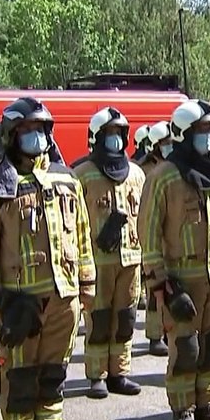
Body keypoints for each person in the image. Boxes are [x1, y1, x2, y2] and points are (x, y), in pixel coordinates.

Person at [0, 97, 94, 420]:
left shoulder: (65, 179)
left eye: (40, 130)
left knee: (55, 368)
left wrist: (86, 285)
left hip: (63, 295)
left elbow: (82, 233)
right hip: (20, 300)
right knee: (20, 371)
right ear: (11, 135)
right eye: (27, 130)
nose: (35, 137)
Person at [138, 99, 210, 420]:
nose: (209, 138)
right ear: (185, 135)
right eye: (202, 131)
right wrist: (160, 283)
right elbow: (149, 232)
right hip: (182, 282)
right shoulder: (164, 177)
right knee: (186, 347)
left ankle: (208, 403)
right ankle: (182, 408)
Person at [73, 107, 146, 399]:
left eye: (119, 134)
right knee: (99, 319)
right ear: (97, 137)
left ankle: (120, 372)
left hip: (130, 259)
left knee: (126, 318)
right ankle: (97, 375)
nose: (115, 140)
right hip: (97, 261)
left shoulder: (137, 175)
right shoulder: (82, 175)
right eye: (110, 134)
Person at [137, 121, 172, 358]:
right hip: (154, 236)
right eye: (165, 144)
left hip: (175, 238)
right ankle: (154, 336)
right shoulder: (145, 169)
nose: (170, 147)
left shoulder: (177, 167)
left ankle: (170, 332)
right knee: (154, 292)